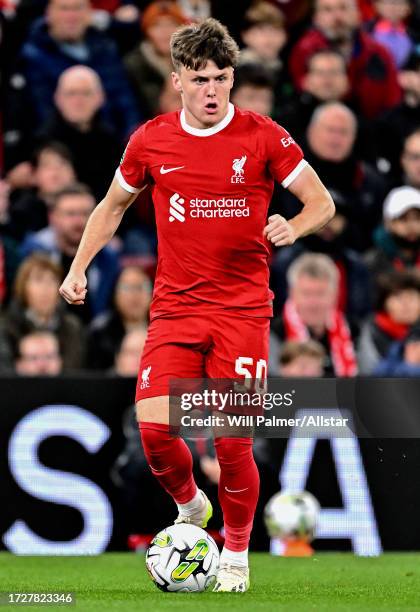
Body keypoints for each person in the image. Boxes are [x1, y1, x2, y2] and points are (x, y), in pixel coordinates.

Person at [59, 18, 334, 592]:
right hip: (176, 310)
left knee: (233, 441)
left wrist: (295, 225)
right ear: (178, 81)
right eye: (201, 79)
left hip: (242, 311)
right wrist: (78, 266)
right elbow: (111, 207)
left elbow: (321, 203)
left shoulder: (264, 136)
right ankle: (191, 505)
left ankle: (235, 554)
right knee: (156, 432)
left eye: (223, 78)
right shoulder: (150, 139)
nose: (213, 91)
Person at [19, 0, 140, 138]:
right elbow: (40, 113)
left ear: (90, 13)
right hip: (61, 148)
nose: (71, 16)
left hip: (113, 146)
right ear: (48, 14)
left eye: (78, 8)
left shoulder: (106, 48)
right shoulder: (32, 56)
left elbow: (126, 104)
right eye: (64, 9)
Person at [289, 0, 401, 119]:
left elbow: (393, 100)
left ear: (358, 14)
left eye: (343, 8)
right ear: (316, 18)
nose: (337, 16)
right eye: (328, 10)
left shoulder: (380, 53)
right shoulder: (303, 52)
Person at [23, 183, 120, 321]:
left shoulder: (108, 257)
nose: (79, 221)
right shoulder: (34, 252)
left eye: (86, 214)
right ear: (52, 217)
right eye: (70, 214)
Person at [37, 65, 122, 200]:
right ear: (57, 99)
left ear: (100, 98)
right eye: (71, 94)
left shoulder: (110, 140)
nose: (78, 101)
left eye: (86, 93)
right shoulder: (43, 141)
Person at [270, 253, 357, 377]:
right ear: (292, 293)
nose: (313, 303)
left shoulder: (353, 331)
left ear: (335, 294)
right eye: (306, 294)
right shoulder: (274, 333)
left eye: (320, 294)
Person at [3, 253, 85, 370]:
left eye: (52, 280)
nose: (46, 288)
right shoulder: (8, 327)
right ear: (23, 287)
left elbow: (75, 370)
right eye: (38, 279)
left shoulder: (72, 327)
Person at [124, 1, 187, 120]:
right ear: (147, 31)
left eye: (171, 24)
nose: (165, 31)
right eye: (156, 25)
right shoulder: (134, 65)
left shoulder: (194, 61)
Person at [87, 265, 151, 369]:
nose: (135, 295)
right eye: (127, 288)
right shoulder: (100, 332)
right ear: (115, 294)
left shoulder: (165, 330)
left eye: (142, 287)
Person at [357, 270, 420, 374]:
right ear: (385, 303)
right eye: (398, 297)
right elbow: (369, 374)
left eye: (411, 297)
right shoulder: (372, 333)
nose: (406, 304)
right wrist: (409, 366)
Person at [365, 185, 420, 278]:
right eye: (403, 219)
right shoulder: (372, 263)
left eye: (417, 218)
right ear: (388, 223)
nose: (412, 226)